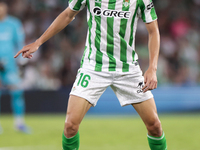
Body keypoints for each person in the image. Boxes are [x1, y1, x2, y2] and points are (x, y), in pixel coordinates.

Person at [15, 0, 167, 149]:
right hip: (94, 67)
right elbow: (68, 14)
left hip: (127, 70)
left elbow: (153, 31)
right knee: (70, 126)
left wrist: (152, 68)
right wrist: (38, 42)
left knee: (154, 125)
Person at [0, 1, 31, 134]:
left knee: (17, 91)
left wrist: (21, 63)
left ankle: (19, 123)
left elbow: (19, 43)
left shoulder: (13, 24)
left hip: (9, 66)